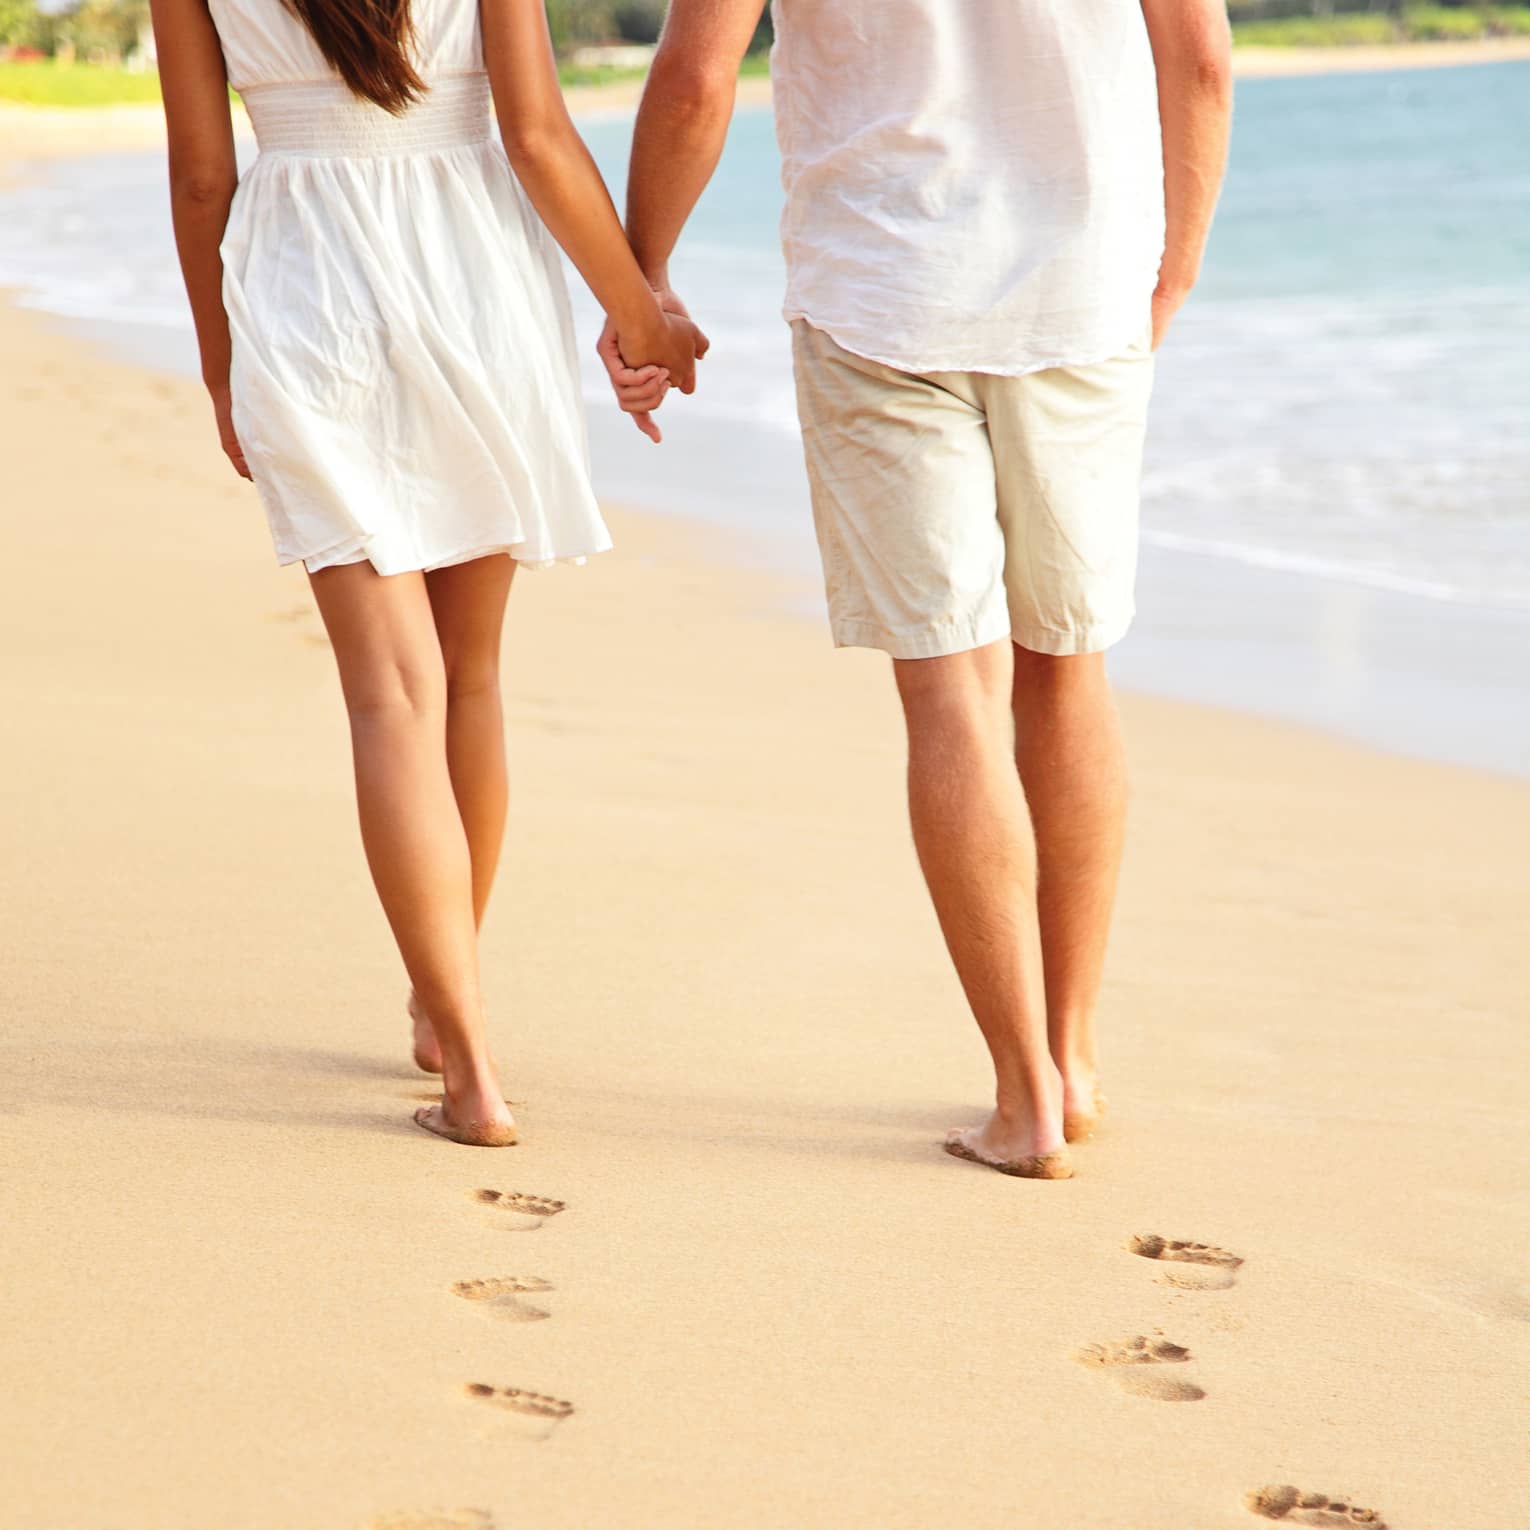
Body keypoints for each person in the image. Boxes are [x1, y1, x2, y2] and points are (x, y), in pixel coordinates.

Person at [601, 0, 1232, 1177]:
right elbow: (1197, 55)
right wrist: (1176, 266)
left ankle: (1022, 1095)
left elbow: (694, 77)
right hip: (1082, 289)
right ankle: (1075, 1057)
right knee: (1068, 664)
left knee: (949, 691)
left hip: (881, 291)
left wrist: (645, 282)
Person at [153, 0, 704, 1146]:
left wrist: (219, 365)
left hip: (307, 296)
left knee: (389, 696)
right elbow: (539, 138)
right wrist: (638, 314)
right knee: (468, 679)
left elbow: (204, 178)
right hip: (478, 285)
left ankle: (470, 1064)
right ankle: (444, 1017)